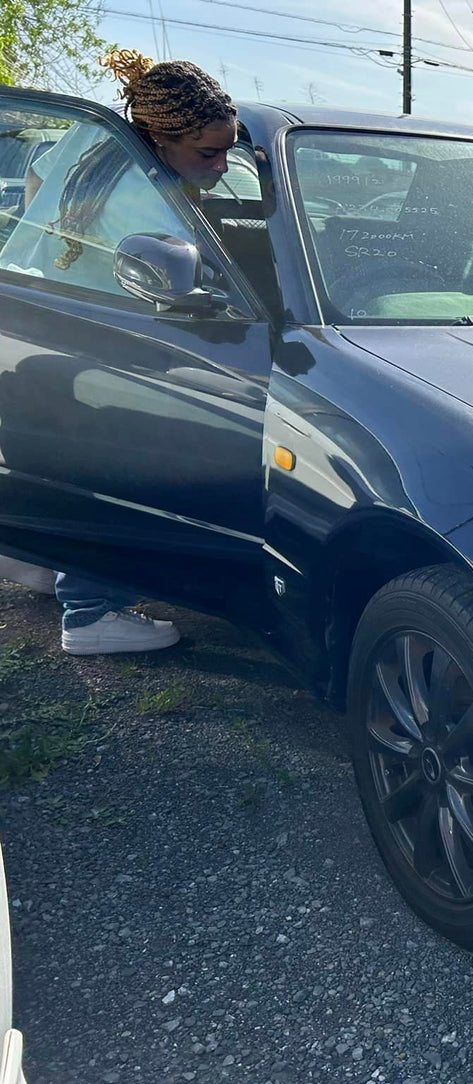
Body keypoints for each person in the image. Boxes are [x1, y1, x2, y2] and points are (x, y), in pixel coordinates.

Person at [0, 49, 238, 654]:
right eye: (208, 153)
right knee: (121, 468)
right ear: (160, 140)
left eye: (229, 149)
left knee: (52, 461)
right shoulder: (153, 202)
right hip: (91, 344)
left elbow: (34, 185)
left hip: (31, 318)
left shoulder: (97, 145)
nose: (222, 163)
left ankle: (39, 558)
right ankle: (91, 614)